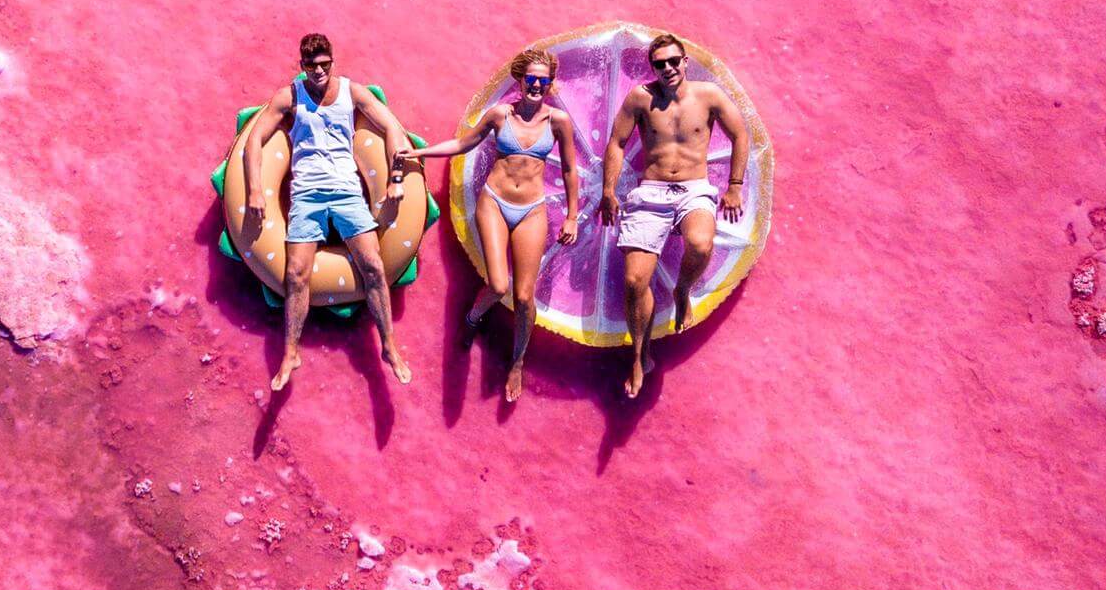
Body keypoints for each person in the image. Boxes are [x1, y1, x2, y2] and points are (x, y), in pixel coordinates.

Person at [241, 32, 414, 392]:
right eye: (311, 66)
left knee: (374, 266)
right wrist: (256, 189)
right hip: (306, 194)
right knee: (296, 272)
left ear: (333, 61)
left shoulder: (353, 92)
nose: (319, 71)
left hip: (348, 192)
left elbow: (391, 127)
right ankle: (290, 353)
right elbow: (255, 140)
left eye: (324, 64)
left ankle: (389, 347)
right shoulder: (290, 96)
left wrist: (395, 179)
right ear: (302, 66)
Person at [413, 48, 580, 402]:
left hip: (532, 209)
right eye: (530, 79)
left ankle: (517, 361)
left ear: (550, 83)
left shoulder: (558, 122)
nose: (536, 85)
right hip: (494, 203)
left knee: (523, 295)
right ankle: (474, 317)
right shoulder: (501, 115)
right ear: (520, 81)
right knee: (498, 284)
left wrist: (571, 215)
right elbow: (463, 143)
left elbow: (568, 169)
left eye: (543, 80)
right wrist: (419, 154)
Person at [599, 32, 749, 399]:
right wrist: (607, 191)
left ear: (685, 62)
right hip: (650, 192)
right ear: (653, 67)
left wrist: (734, 185)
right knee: (635, 282)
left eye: (673, 61)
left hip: (694, 190)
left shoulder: (708, 96)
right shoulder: (640, 98)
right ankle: (639, 356)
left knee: (700, 242)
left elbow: (740, 135)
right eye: (659, 63)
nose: (667, 68)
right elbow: (617, 143)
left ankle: (682, 288)